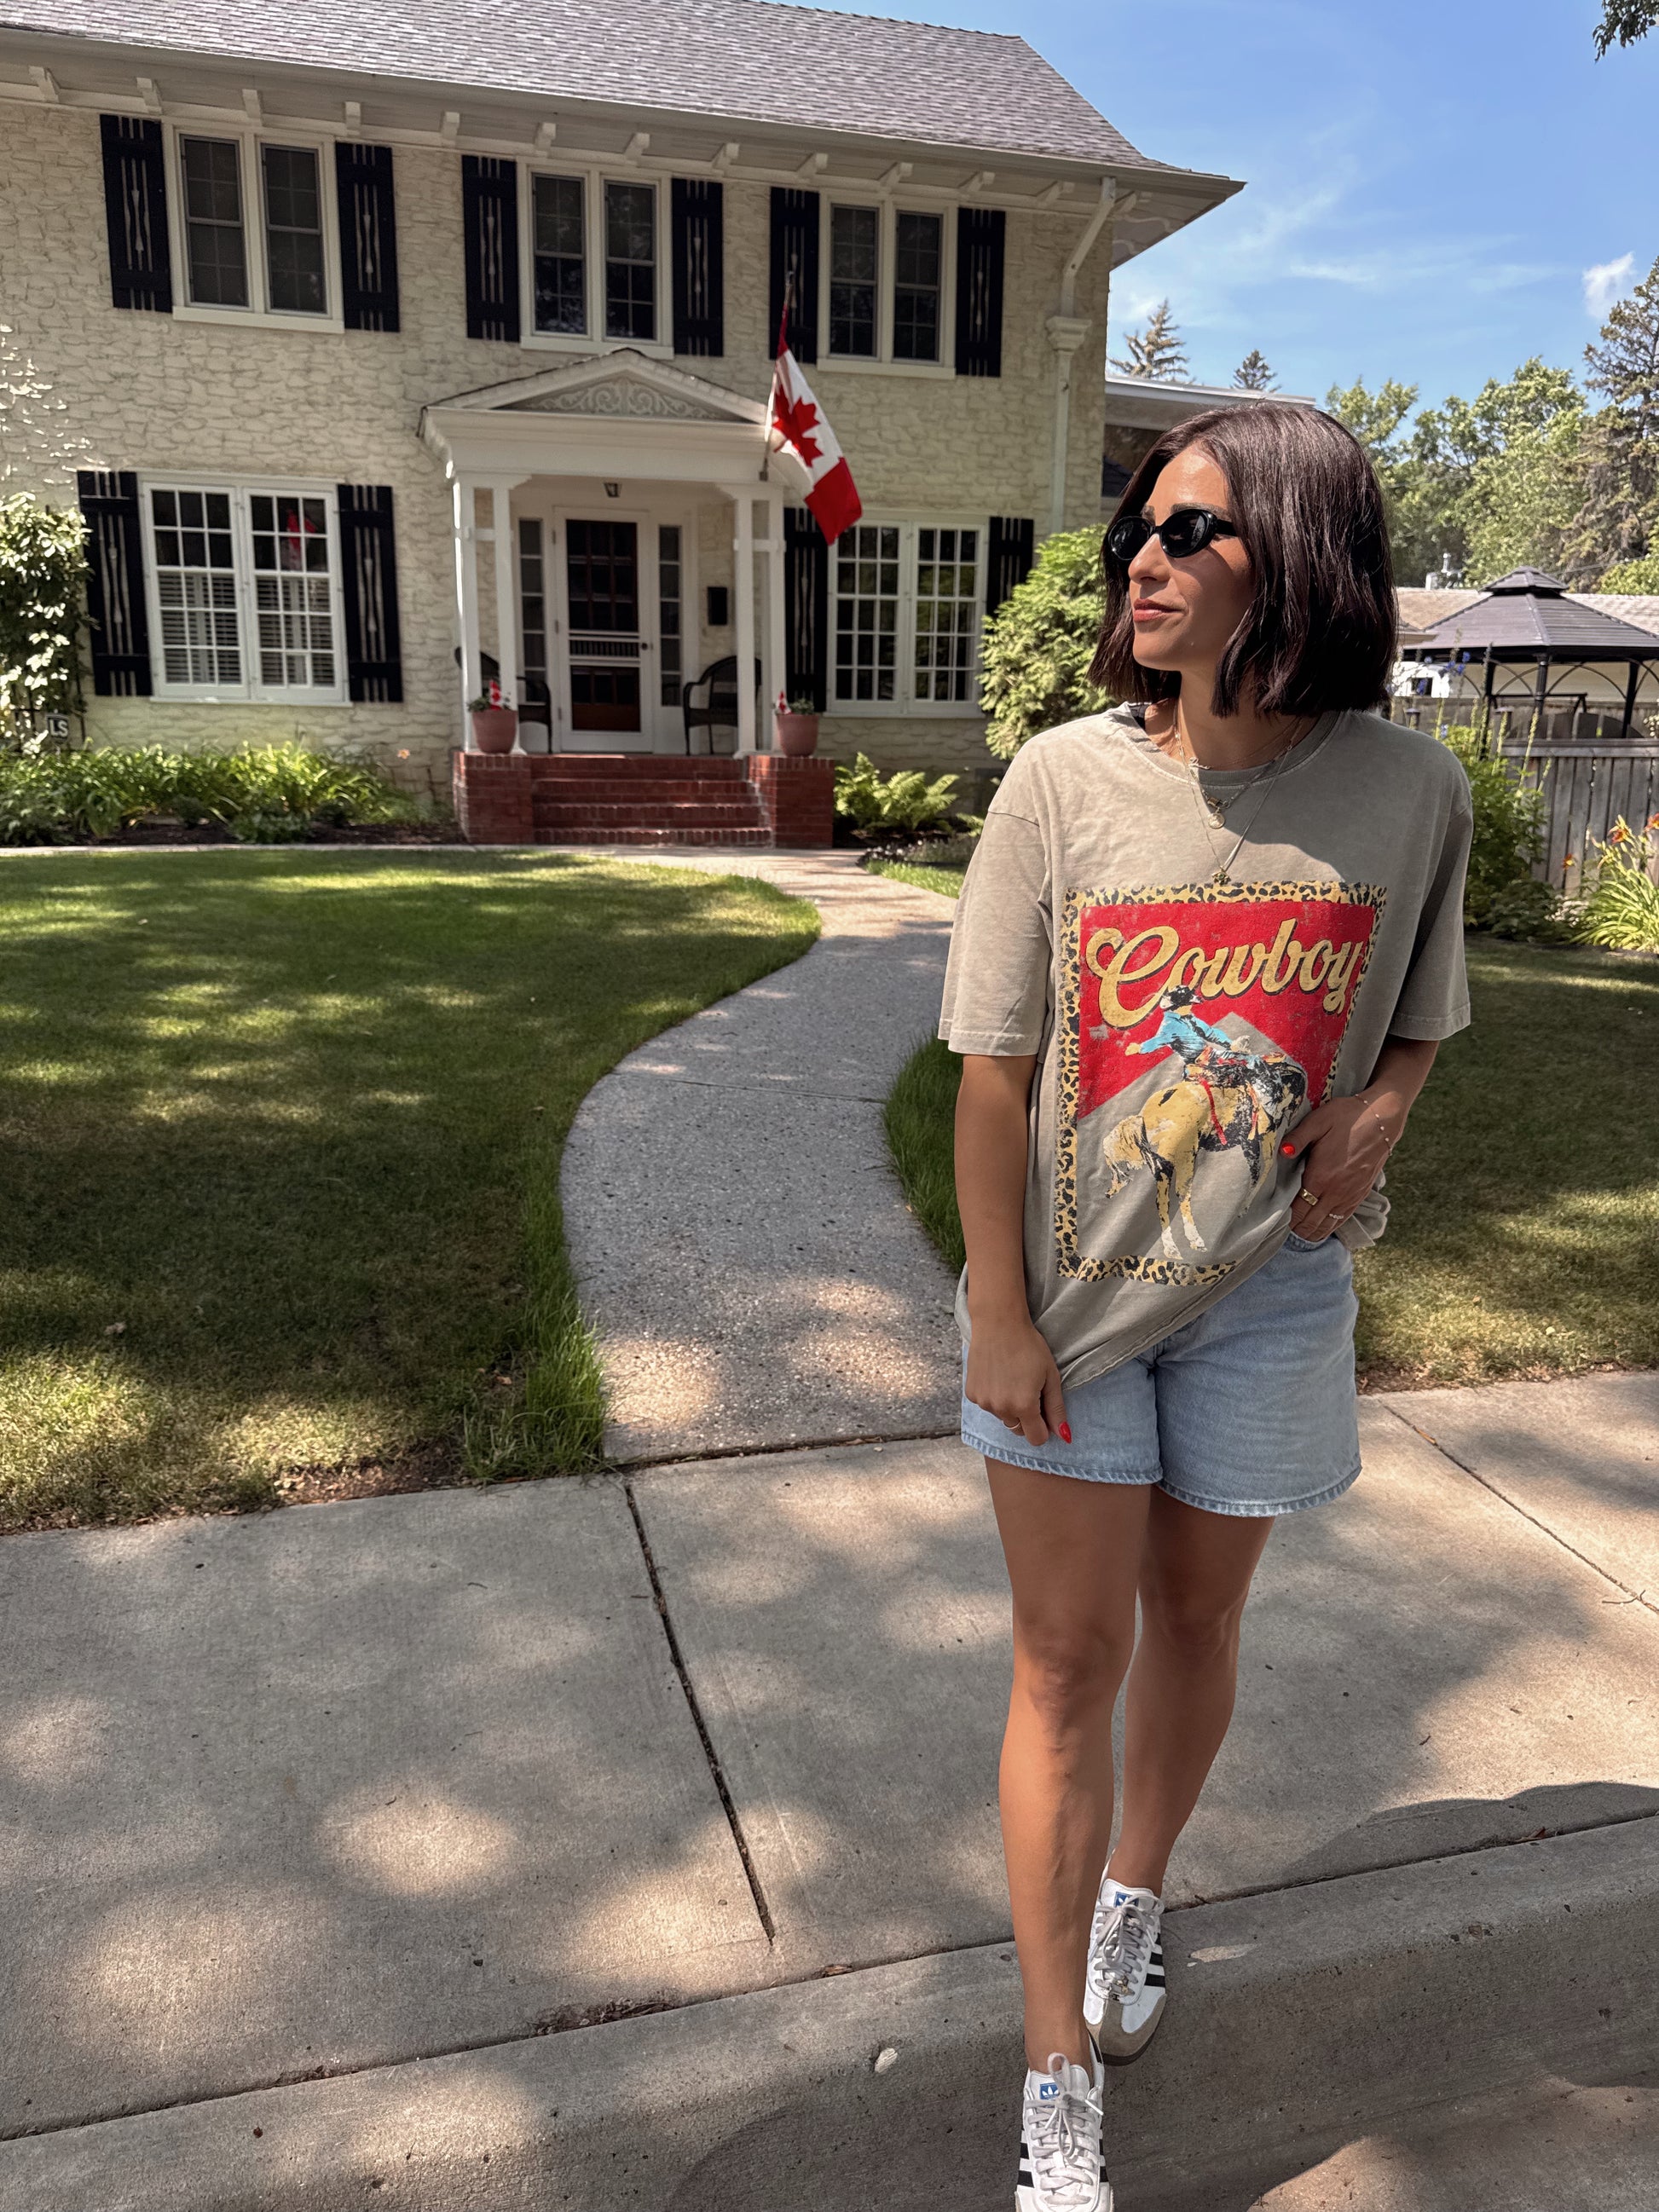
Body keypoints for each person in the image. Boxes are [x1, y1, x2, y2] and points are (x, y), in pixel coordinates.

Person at [939, 401, 1472, 2212]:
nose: (1140, 564)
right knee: (1062, 1660)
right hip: (1069, 1310)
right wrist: (997, 1311)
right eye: (1135, 536)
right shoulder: (1061, 782)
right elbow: (993, 1074)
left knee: (1197, 1619)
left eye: (1186, 532)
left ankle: (1130, 1899)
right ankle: (1053, 2072)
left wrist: (1383, 1107)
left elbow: (1414, 1020)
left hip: (1271, 1292)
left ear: (1297, 561)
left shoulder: (1407, 792)